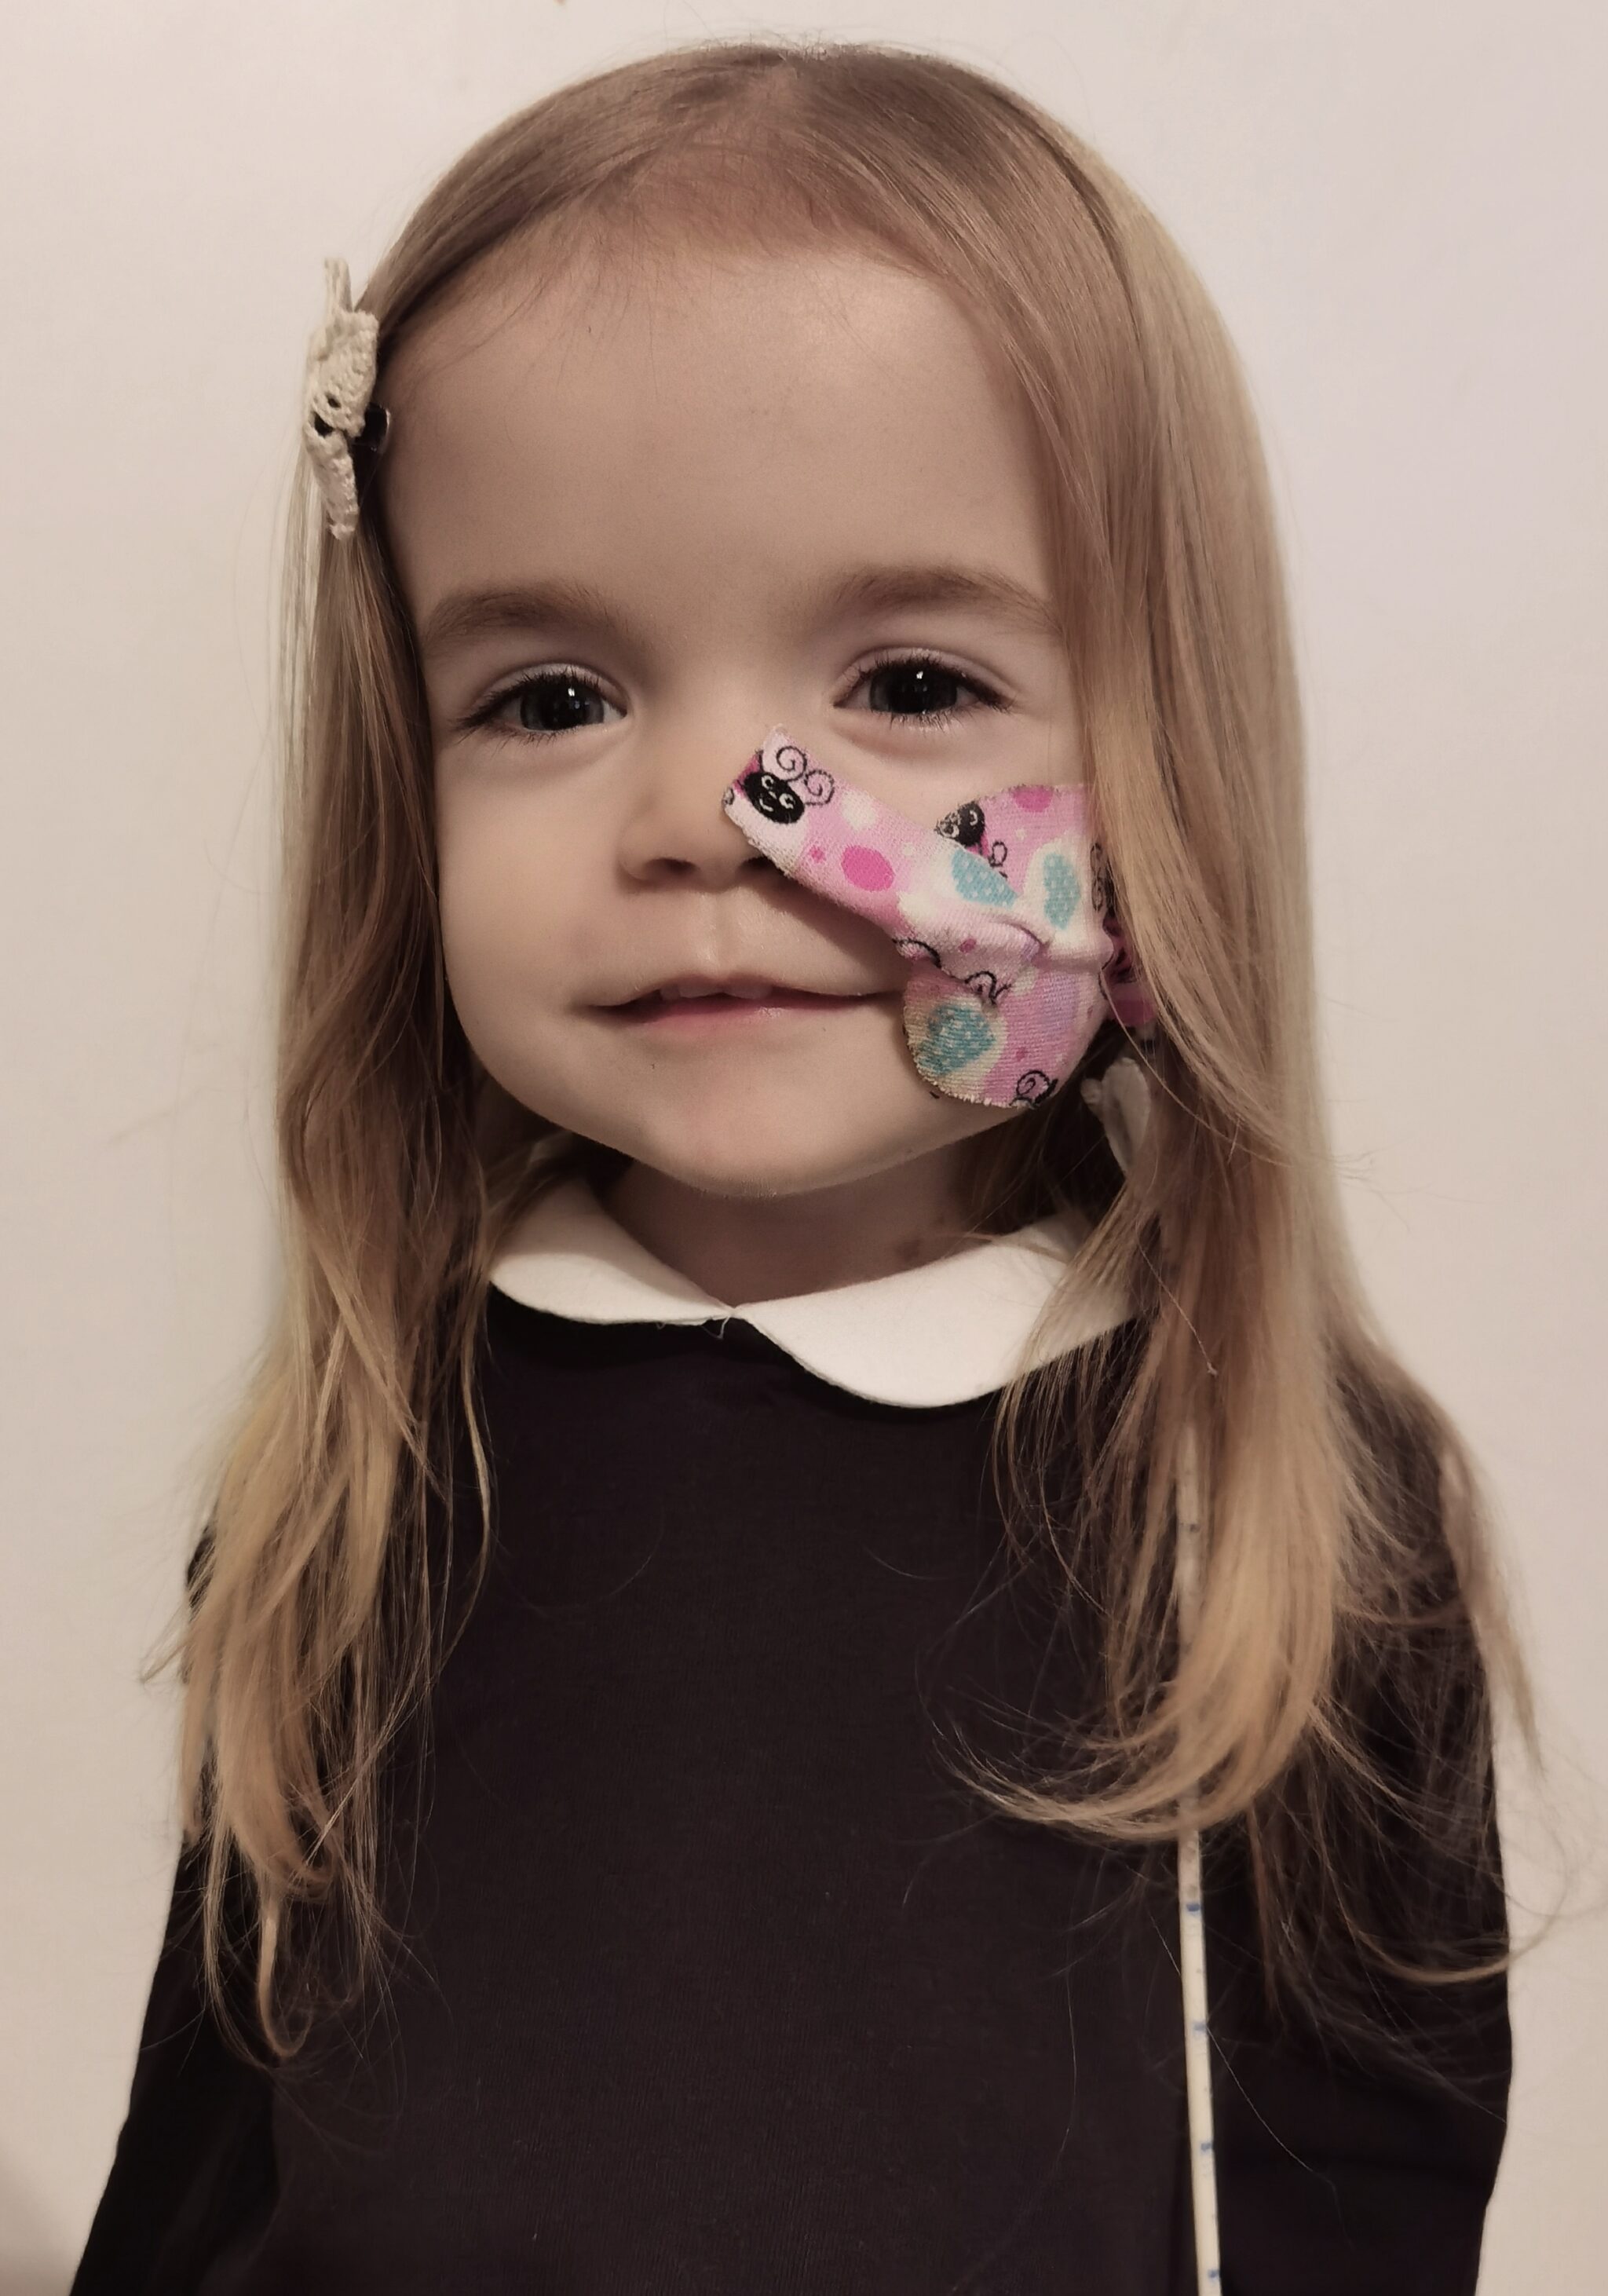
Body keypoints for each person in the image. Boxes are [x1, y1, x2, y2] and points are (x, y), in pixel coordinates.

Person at [71, 36, 1532, 2294]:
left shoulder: (1276, 1505)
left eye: (912, 687)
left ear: (1174, 765)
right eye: (551, 696)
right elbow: (195, 2177)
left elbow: (1369, 2199)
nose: (705, 818)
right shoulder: (359, 1472)